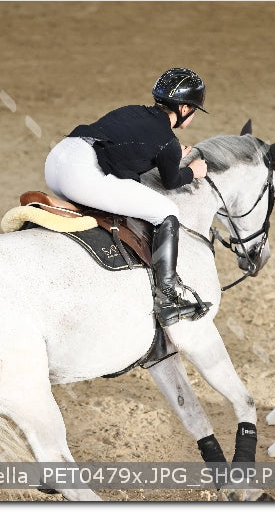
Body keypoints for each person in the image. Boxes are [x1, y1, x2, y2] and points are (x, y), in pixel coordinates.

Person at [44, 67, 211, 326]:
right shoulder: (168, 141)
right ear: (185, 109)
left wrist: (167, 153)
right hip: (81, 174)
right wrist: (192, 171)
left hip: (58, 159)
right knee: (168, 212)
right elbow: (171, 182)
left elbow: (130, 149)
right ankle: (167, 298)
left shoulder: (132, 110)